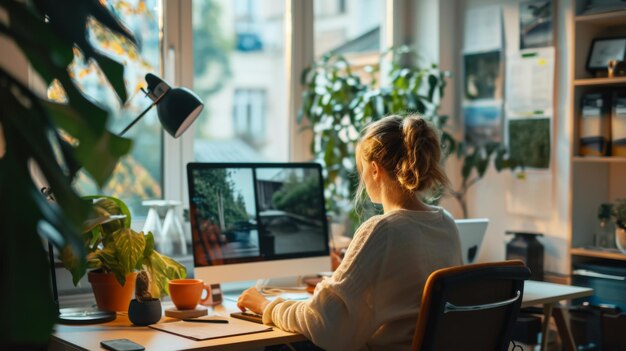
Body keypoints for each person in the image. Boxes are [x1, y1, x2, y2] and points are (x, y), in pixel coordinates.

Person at [237, 115, 463, 351]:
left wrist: (266, 306)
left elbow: (324, 324)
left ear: (375, 170)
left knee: (276, 347)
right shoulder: (446, 223)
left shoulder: (383, 229)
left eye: (362, 169)